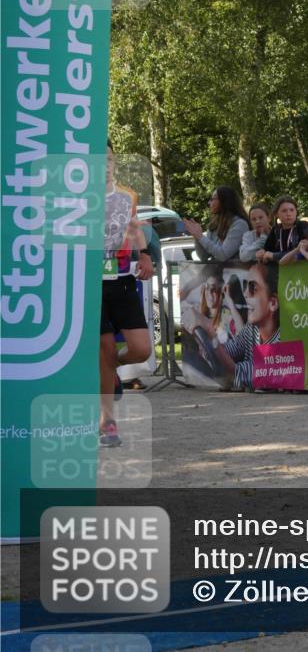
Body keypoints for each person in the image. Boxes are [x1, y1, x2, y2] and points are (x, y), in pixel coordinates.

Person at [100, 140, 154, 447]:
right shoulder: (77, 197)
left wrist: (145, 255)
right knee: (105, 351)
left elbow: (133, 228)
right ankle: (107, 423)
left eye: (108, 159)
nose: (104, 165)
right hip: (91, 284)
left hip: (121, 279)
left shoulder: (127, 196)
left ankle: (111, 371)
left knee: (140, 349)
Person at [204, 261, 281, 391]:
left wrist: (208, 332)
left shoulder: (283, 339)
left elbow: (240, 373)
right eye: (246, 286)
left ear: (272, 302)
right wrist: (208, 348)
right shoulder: (252, 329)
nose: (245, 293)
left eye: (253, 288)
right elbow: (232, 349)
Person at [185, 186, 250, 262]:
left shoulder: (240, 224)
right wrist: (197, 236)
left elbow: (223, 255)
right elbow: (203, 256)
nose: (209, 203)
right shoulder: (214, 225)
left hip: (234, 273)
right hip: (215, 273)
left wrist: (200, 236)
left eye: (212, 199)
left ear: (224, 201)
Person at [257, 196, 308, 263]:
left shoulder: (303, 225)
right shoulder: (275, 229)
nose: (288, 214)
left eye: (292, 210)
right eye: (284, 211)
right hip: (280, 270)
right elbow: (267, 251)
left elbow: (304, 251)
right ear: (276, 214)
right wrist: (262, 252)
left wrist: (274, 256)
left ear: (296, 212)